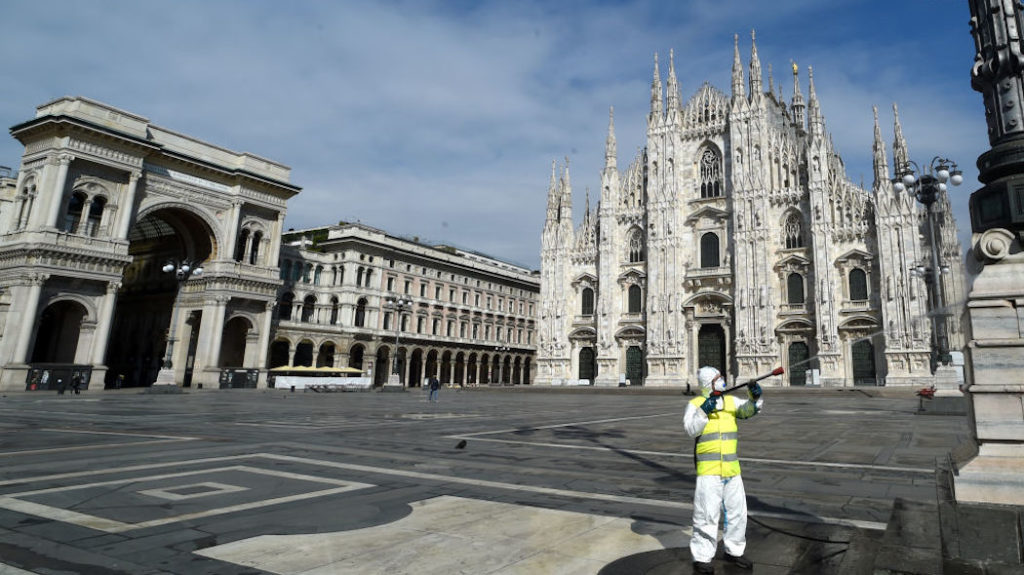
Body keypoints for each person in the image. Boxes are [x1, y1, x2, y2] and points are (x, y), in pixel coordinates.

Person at [683, 366, 763, 574]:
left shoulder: (730, 401)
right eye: (719, 378)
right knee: (706, 514)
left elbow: (747, 411)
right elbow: (691, 430)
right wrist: (703, 411)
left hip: (731, 468)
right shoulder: (695, 404)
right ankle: (702, 556)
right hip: (708, 470)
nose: (723, 381)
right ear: (709, 383)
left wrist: (754, 398)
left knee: (738, 512)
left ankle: (734, 550)